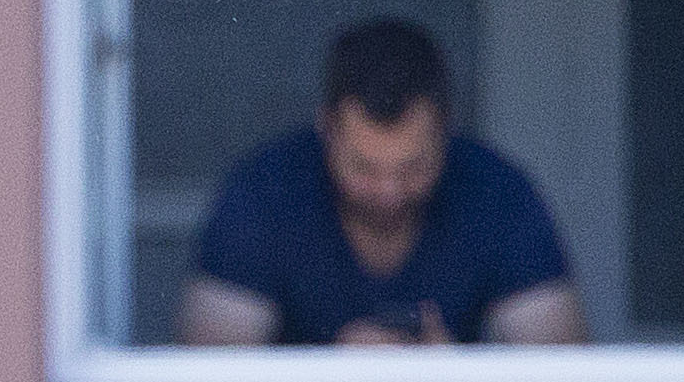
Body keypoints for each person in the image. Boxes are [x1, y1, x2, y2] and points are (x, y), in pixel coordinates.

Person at [174, 18, 591, 347]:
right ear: (326, 130)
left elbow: (562, 378)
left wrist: (454, 376)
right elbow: (207, 380)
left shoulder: (496, 193)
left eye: (411, 169)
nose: (388, 191)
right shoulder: (265, 192)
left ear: (445, 132)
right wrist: (330, 378)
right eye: (364, 168)